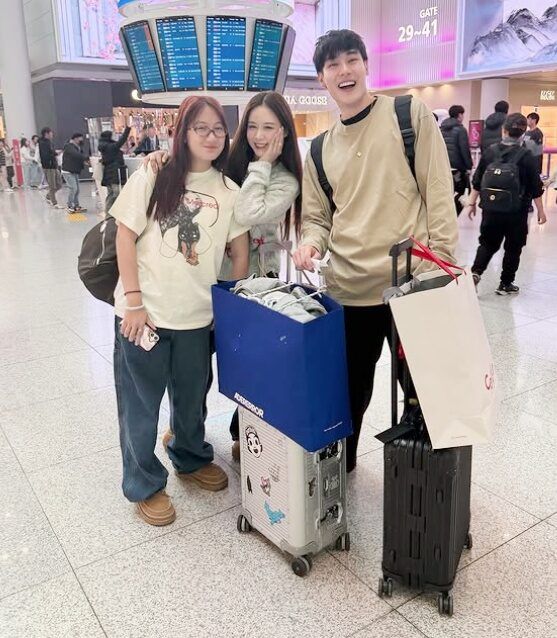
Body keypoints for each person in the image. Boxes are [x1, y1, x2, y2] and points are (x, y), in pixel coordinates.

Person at [292, 29, 458, 473]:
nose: (344, 71)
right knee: (349, 390)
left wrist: (442, 265)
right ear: (322, 78)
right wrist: (310, 242)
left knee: (423, 389)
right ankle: (338, 471)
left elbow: (438, 190)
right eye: (333, 65)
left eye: (352, 60)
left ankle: (431, 482)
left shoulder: (408, 114)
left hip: (412, 283)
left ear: (366, 65)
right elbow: (317, 217)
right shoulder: (321, 148)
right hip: (349, 288)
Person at [110, 96, 249, 526]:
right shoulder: (154, 174)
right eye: (200, 128)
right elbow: (124, 236)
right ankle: (143, 483)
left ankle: (189, 456)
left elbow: (240, 252)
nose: (211, 136)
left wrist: (229, 306)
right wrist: (133, 301)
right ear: (183, 132)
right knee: (140, 407)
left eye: (218, 129)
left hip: (197, 319)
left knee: (191, 401)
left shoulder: (229, 191)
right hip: (144, 316)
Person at [145, 91, 303, 461]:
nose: (259, 136)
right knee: (195, 370)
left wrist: (263, 164)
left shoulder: (285, 180)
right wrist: (163, 157)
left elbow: (245, 213)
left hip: (253, 290)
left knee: (251, 366)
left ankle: (242, 433)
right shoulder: (228, 163)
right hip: (207, 283)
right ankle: (184, 426)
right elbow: (194, 174)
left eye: (269, 127)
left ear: (284, 131)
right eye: (252, 126)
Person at [466, 113, 547, 295]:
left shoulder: (490, 152)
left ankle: (476, 272)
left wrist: (471, 203)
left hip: (491, 209)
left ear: (504, 130)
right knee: (513, 247)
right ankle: (505, 283)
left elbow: (477, 180)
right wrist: (541, 211)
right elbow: (535, 187)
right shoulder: (526, 156)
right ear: (523, 133)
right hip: (517, 211)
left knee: (487, 243)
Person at [441, 104, 473, 216]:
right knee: (464, 191)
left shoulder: (441, 129)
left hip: (443, 167)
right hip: (457, 168)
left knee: (446, 193)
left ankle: (445, 215)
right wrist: (469, 166)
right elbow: (464, 149)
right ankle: (453, 216)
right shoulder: (461, 130)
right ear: (459, 115)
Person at [98, 126, 131, 214]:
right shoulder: (111, 147)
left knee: (110, 194)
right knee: (117, 194)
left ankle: (108, 214)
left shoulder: (104, 146)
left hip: (108, 174)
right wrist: (127, 129)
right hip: (115, 173)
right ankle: (117, 214)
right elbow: (122, 140)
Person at [61, 132, 88, 212]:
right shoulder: (69, 146)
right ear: (75, 139)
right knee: (73, 188)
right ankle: (70, 205)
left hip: (74, 171)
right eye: (80, 139)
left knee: (77, 189)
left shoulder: (77, 147)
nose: (82, 141)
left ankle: (76, 205)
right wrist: (86, 158)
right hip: (68, 171)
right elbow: (76, 155)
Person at [38, 127, 64, 208]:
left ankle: (48, 196)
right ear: (46, 133)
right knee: (52, 185)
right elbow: (46, 155)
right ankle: (54, 203)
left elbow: (51, 152)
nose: (52, 134)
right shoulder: (43, 143)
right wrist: (55, 154)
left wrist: (55, 153)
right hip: (49, 167)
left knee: (59, 184)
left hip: (54, 165)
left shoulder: (49, 142)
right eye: (51, 133)